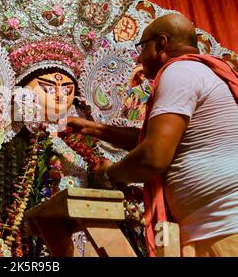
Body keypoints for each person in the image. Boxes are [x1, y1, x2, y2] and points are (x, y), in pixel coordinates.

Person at [68, 13, 238, 257]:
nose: (138, 56)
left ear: (161, 44)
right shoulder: (197, 71)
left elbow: (153, 156)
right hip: (214, 227)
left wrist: (109, 175)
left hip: (223, 228)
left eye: (142, 46)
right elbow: (154, 138)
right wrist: (92, 129)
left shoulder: (179, 71)